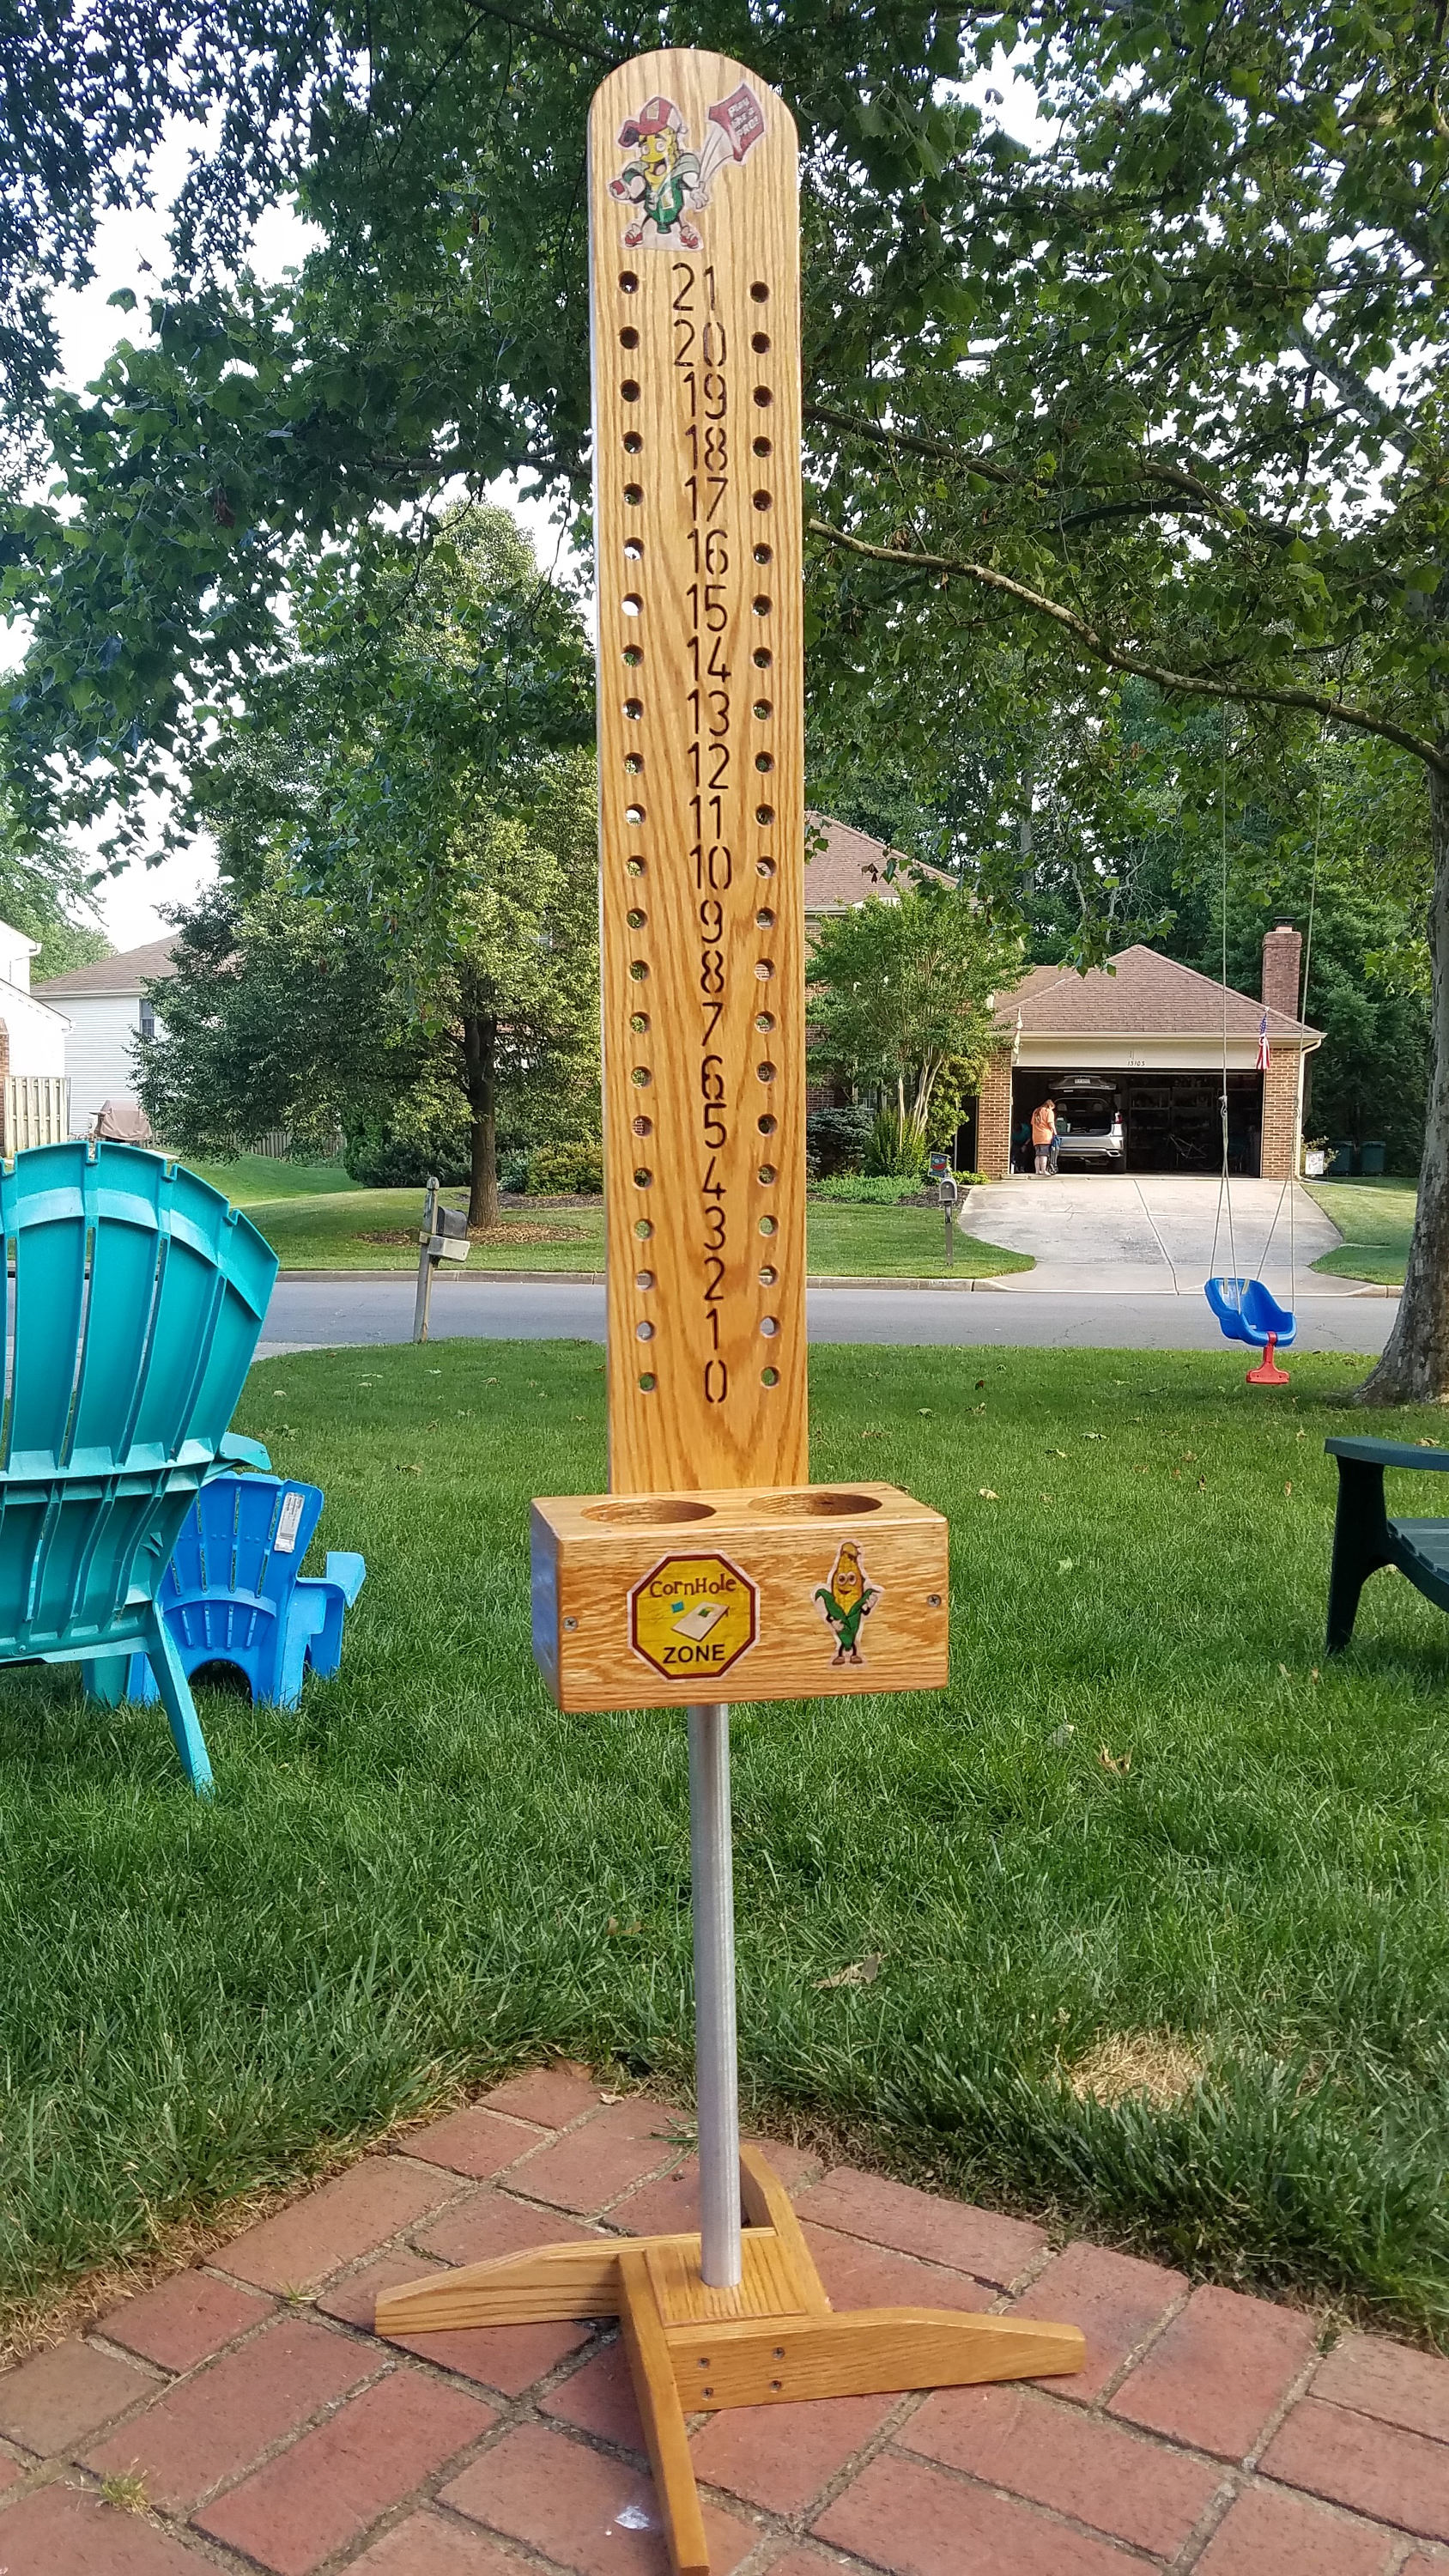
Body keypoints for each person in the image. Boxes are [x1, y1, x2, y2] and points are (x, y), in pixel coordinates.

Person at [1031, 1097, 1057, 1175]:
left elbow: (1032, 1123)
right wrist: (1055, 1132)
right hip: (1045, 1136)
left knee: (1038, 1155)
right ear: (1050, 1106)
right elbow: (1050, 1123)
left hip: (1036, 1136)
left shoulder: (1036, 1111)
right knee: (1044, 1154)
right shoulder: (1048, 1111)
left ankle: (1037, 1170)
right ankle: (1044, 1170)